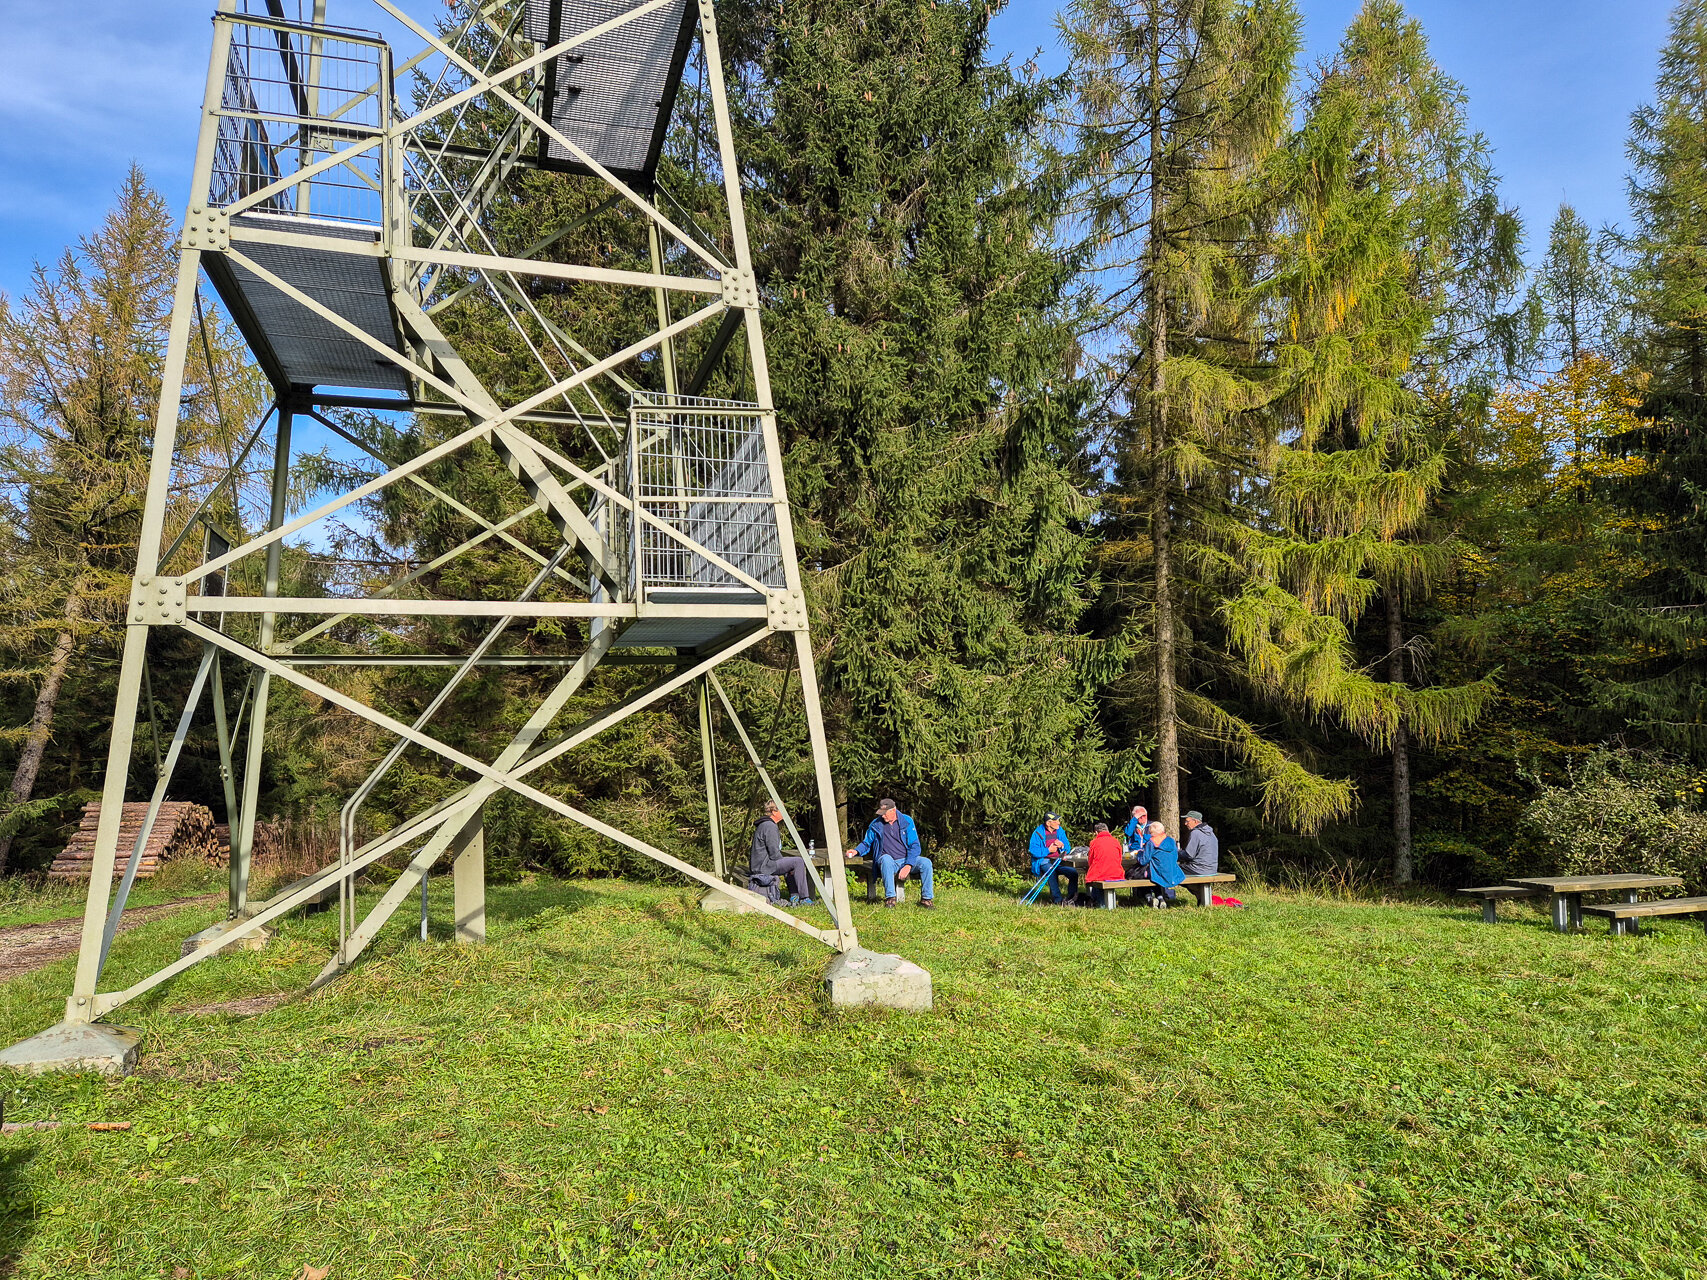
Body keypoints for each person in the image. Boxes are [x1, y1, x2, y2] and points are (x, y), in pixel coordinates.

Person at [848, 798, 935, 908]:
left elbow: (915, 845)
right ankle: (890, 898)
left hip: (905, 859)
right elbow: (866, 843)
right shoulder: (876, 824)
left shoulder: (907, 821)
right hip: (888, 861)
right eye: (881, 813)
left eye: (885, 813)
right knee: (885, 859)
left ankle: (926, 899)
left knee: (926, 863)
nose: (882, 816)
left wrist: (908, 865)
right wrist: (856, 851)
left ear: (893, 811)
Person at [750, 800, 813, 905]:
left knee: (790, 864)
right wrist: (784, 862)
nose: (785, 813)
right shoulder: (770, 826)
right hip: (764, 866)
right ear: (774, 811)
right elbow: (774, 852)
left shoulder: (764, 824)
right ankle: (804, 898)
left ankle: (794, 896)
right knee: (798, 862)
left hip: (760, 864)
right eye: (782, 810)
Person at [1028, 812, 1078, 905]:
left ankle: (1072, 899)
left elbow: (1067, 847)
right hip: (1044, 861)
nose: (1059, 823)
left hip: (1058, 861)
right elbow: (1033, 850)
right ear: (1048, 823)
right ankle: (1058, 900)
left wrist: (1062, 846)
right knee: (1051, 871)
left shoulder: (1060, 831)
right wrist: (1048, 850)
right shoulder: (1038, 832)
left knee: (1073, 873)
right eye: (1056, 821)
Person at [1135, 820, 1184, 906]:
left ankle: (1149, 897)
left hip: (1159, 872)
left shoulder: (1152, 842)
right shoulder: (1171, 841)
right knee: (1154, 873)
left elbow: (1143, 861)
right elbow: (1176, 857)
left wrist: (1139, 854)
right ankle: (1160, 897)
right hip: (1173, 872)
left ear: (1151, 832)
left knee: (1141, 875)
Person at [1084, 822, 1125, 890]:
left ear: (1096, 832)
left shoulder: (1094, 842)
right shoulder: (1116, 841)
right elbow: (1119, 859)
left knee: (1094, 879)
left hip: (1100, 874)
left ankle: (1097, 900)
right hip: (1117, 873)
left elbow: (1090, 861)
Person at [1180, 810, 1219, 877]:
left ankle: (1163, 888)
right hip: (1212, 869)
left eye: (1187, 821)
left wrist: (1177, 852)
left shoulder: (1195, 833)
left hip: (1198, 870)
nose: (1185, 824)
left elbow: (1189, 855)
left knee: (1170, 869)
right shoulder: (1211, 833)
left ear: (1195, 821)